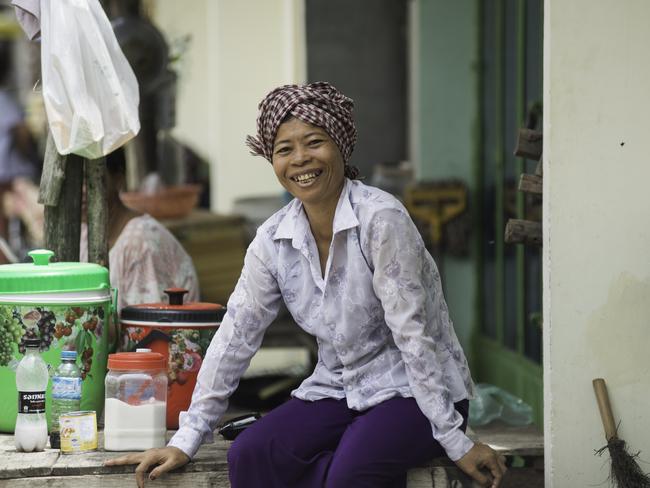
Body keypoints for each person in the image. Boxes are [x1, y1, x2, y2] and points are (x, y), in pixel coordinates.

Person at [106, 82, 507, 488]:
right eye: (284, 149)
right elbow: (236, 335)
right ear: (272, 159)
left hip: (417, 392)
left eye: (314, 142)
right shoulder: (273, 239)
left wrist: (455, 440)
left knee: (351, 475)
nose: (300, 159)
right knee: (250, 454)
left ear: (340, 145)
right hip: (338, 388)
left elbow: (413, 334)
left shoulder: (381, 220)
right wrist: (187, 437)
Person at [80, 148, 200, 313]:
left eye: (89, 180)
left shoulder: (141, 242)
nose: (82, 191)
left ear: (118, 179)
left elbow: (146, 329)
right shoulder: (84, 235)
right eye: (74, 182)